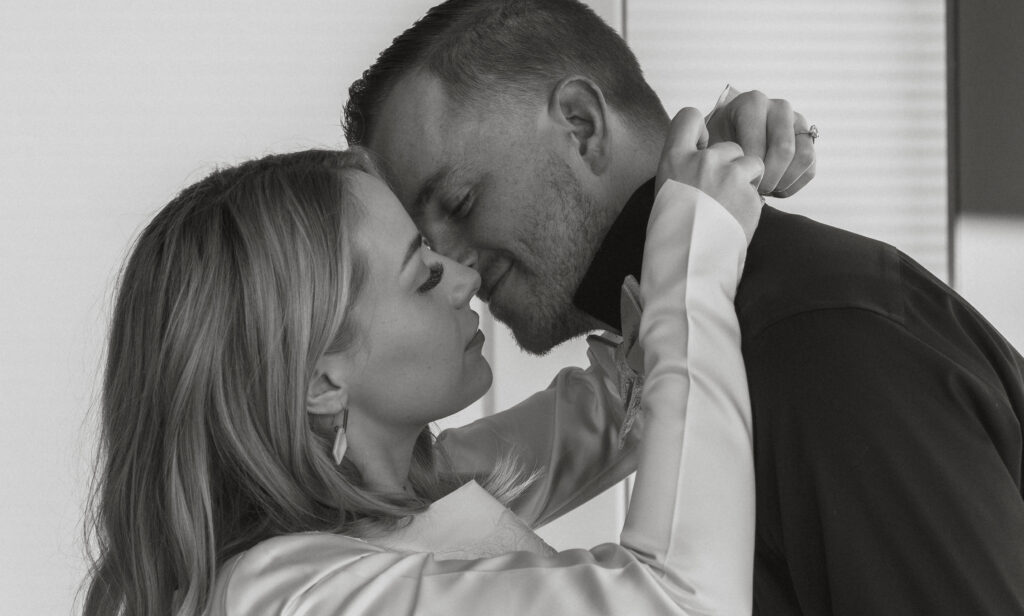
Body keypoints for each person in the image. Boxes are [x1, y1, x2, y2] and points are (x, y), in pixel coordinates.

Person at [344, 0, 1024, 614]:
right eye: (421, 243)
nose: (452, 270)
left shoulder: (814, 345)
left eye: (460, 203)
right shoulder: (732, 342)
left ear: (581, 125)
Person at [82, 110, 768, 615]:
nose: (463, 277)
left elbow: (620, 407)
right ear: (322, 380)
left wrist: (710, 172)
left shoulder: (401, 500)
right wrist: (694, 258)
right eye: (423, 275)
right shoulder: (292, 598)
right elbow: (685, 599)